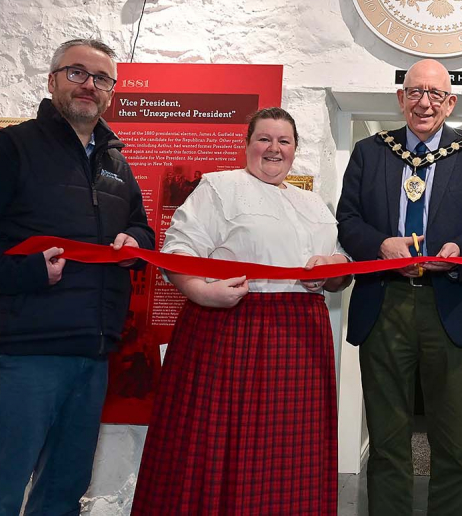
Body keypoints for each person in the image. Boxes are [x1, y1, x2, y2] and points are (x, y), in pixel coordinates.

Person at [0, 37, 154, 516]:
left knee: (62, 490)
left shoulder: (116, 163)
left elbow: (142, 227)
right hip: (24, 349)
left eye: (100, 79)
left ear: (110, 93)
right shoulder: (13, 147)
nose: (88, 85)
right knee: (0, 485)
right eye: (77, 73)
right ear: (53, 80)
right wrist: (21, 273)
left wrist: (136, 245)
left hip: (91, 351)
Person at [131, 107, 348, 516]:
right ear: (246, 145)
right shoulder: (219, 187)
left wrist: (336, 273)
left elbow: (337, 269)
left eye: (284, 141)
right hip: (233, 327)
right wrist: (201, 293)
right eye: (264, 139)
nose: (274, 148)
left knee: (291, 444)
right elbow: (178, 251)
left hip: (302, 335)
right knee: (223, 439)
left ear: (295, 149)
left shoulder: (314, 203)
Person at [337, 59, 462, 515]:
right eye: (414, 92)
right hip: (384, 303)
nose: (423, 102)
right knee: (388, 442)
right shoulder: (371, 152)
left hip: (448, 304)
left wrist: (458, 247)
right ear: (400, 98)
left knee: (453, 443)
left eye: (434, 94)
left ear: (450, 102)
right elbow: (347, 221)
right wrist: (379, 244)